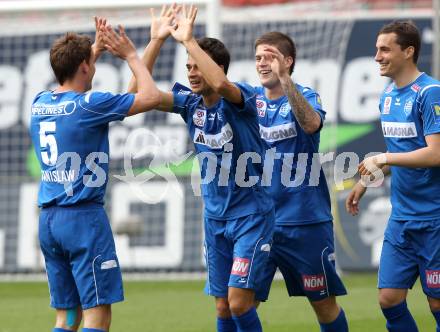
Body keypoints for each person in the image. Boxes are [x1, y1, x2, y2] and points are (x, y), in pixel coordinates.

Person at [128, 4, 274, 331]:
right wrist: (155, 41)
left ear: (215, 67)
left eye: (197, 67)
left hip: (251, 215)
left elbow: (221, 85)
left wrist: (189, 40)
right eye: (188, 67)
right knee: (223, 307)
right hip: (215, 217)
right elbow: (137, 94)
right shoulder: (189, 104)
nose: (191, 73)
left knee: (239, 302)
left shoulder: (243, 100)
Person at [29, 18, 161, 332]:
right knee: (97, 317)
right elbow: (152, 97)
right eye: (92, 62)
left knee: (67, 318)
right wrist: (131, 56)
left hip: (49, 222)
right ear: (86, 68)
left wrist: (94, 50)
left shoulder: (40, 102)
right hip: (83, 220)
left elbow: (75, 74)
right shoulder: (90, 105)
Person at [346, 20, 440, 332]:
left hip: (434, 219)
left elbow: (435, 153)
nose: (377, 56)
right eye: (376, 49)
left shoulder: (430, 92)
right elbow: (401, 155)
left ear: (408, 51)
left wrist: (383, 157)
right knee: (389, 298)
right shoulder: (387, 96)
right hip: (402, 218)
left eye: (385, 49)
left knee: (437, 303)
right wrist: (366, 179)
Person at [252, 31, 349, 332]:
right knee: (239, 303)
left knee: (323, 304)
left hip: (304, 221)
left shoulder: (306, 95)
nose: (262, 63)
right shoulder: (249, 102)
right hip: (259, 223)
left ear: (288, 61)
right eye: (258, 58)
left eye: (270, 56)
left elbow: (310, 124)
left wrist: (285, 81)